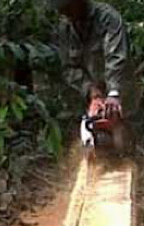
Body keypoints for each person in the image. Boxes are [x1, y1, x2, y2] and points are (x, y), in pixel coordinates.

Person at [51, 0, 135, 142]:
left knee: (125, 137)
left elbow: (117, 57)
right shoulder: (65, 28)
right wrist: (90, 89)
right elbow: (68, 68)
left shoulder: (107, 18)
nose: (66, 14)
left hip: (122, 88)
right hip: (90, 93)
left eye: (68, 8)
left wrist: (113, 93)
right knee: (91, 137)